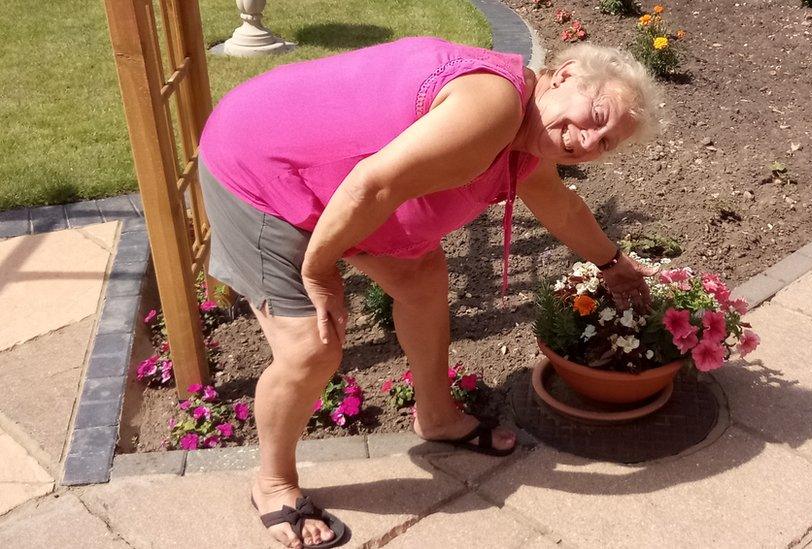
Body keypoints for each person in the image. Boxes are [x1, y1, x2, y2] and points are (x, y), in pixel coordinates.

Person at [199, 36, 663, 548]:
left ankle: (437, 416)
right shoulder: (494, 107)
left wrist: (612, 264)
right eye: (597, 113)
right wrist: (319, 271)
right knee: (312, 347)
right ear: (566, 73)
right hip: (260, 167)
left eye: (606, 142)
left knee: (422, 280)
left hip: (329, 181)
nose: (589, 138)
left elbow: (561, 207)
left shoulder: (526, 140)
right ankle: (272, 482)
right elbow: (372, 185)